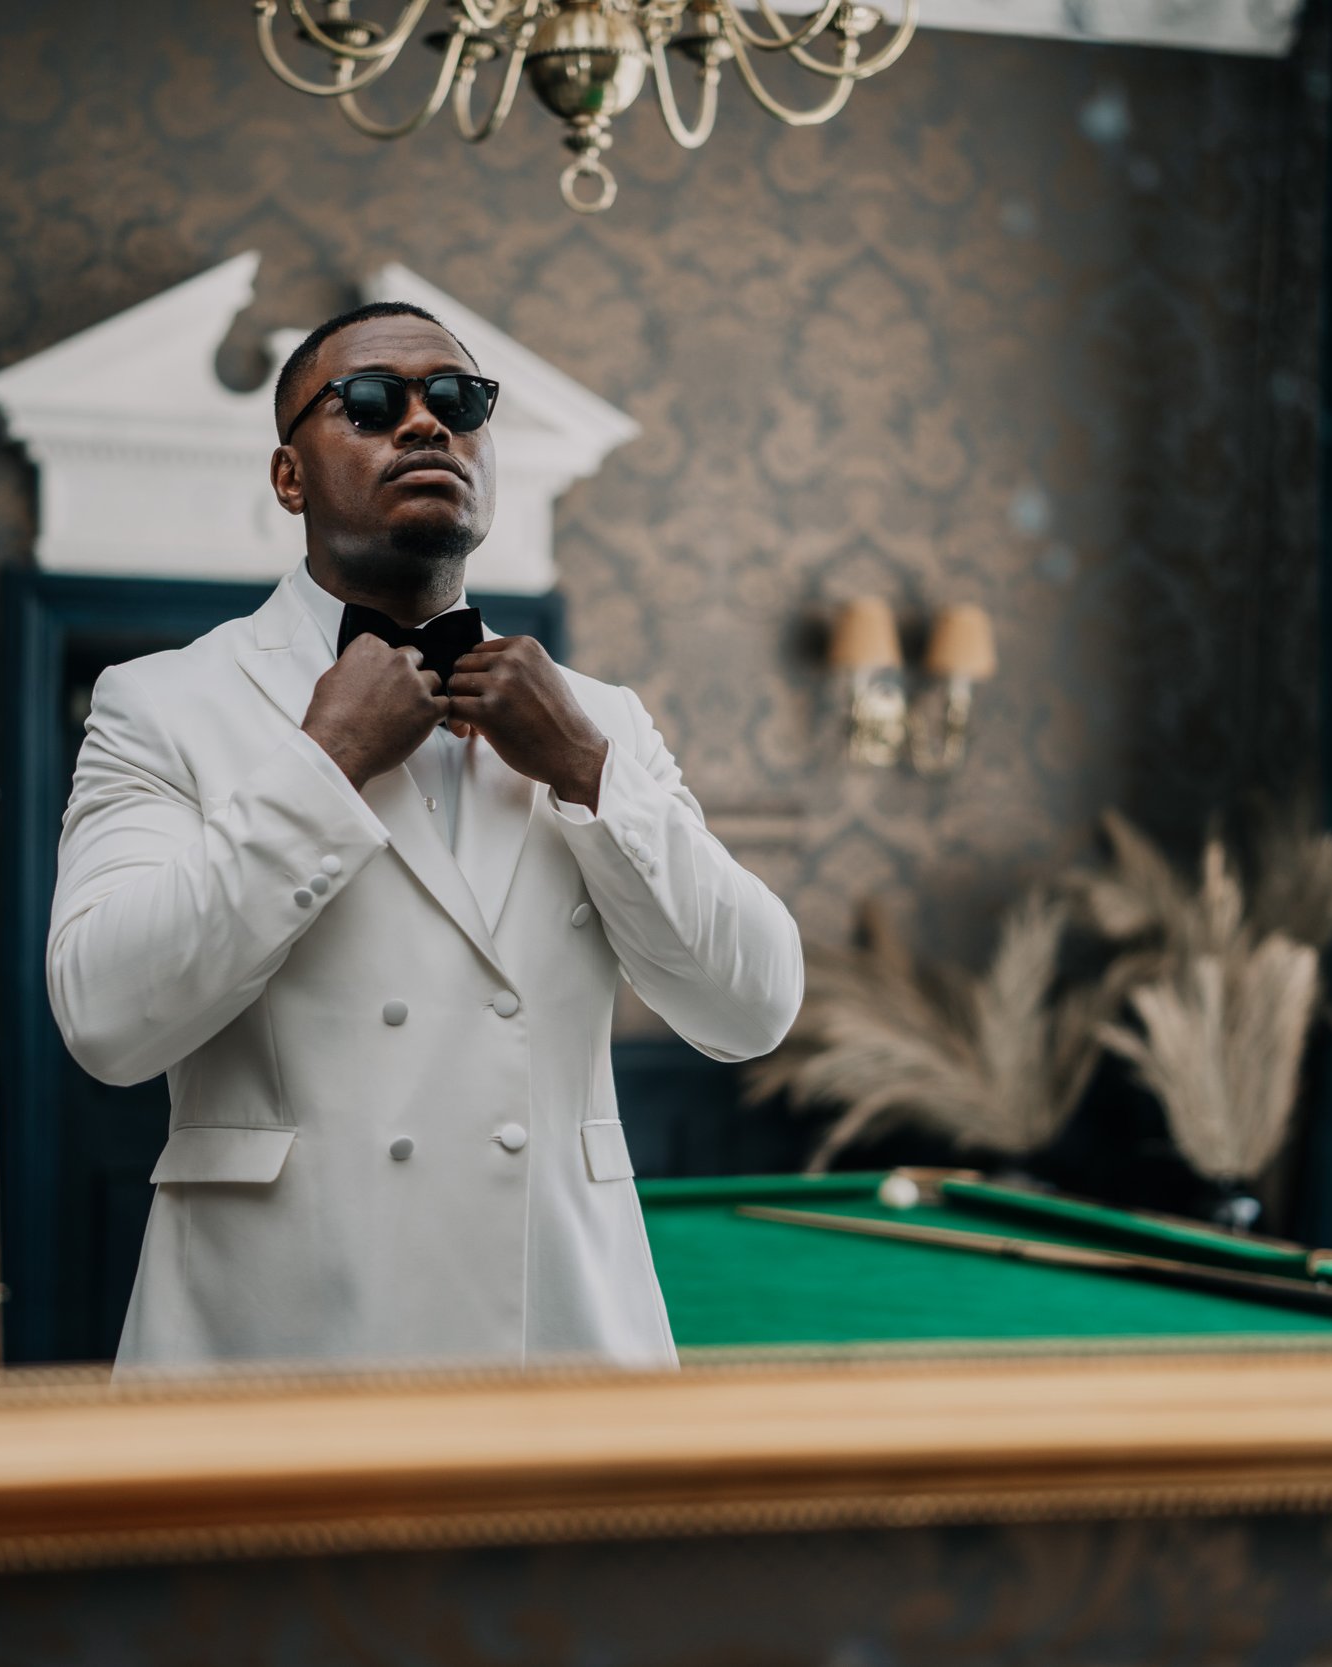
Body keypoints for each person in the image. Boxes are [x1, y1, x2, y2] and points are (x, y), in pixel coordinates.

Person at [48, 300, 804, 1372]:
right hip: (272, 1352)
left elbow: (755, 1004)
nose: (422, 422)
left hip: (560, 1346)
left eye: (457, 400)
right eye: (368, 400)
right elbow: (105, 1016)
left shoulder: (600, 719)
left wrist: (591, 772)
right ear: (288, 477)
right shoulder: (158, 704)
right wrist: (325, 761)